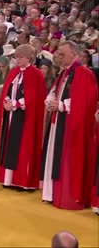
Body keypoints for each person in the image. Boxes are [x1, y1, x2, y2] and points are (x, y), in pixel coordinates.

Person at [41, 41, 98, 210]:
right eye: (58, 53)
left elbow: (85, 101)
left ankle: (66, 196)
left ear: (73, 54)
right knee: (54, 155)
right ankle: (52, 193)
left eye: (62, 53)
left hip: (71, 126)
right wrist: (50, 102)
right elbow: (53, 92)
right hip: (57, 121)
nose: (59, 56)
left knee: (68, 160)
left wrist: (60, 105)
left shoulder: (83, 73)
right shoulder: (64, 73)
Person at [0, 44, 47, 190]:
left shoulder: (36, 74)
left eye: (21, 57)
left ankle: (21, 181)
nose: (17, 59)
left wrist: (17, 104)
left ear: (29, 58)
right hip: (10, 116)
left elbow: (36, 98)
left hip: (25, 118)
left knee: (23, 148)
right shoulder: (13, 72)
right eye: (16, 56)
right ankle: (8, 179)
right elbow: (7, 89)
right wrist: (6, 102)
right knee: (8, 146)